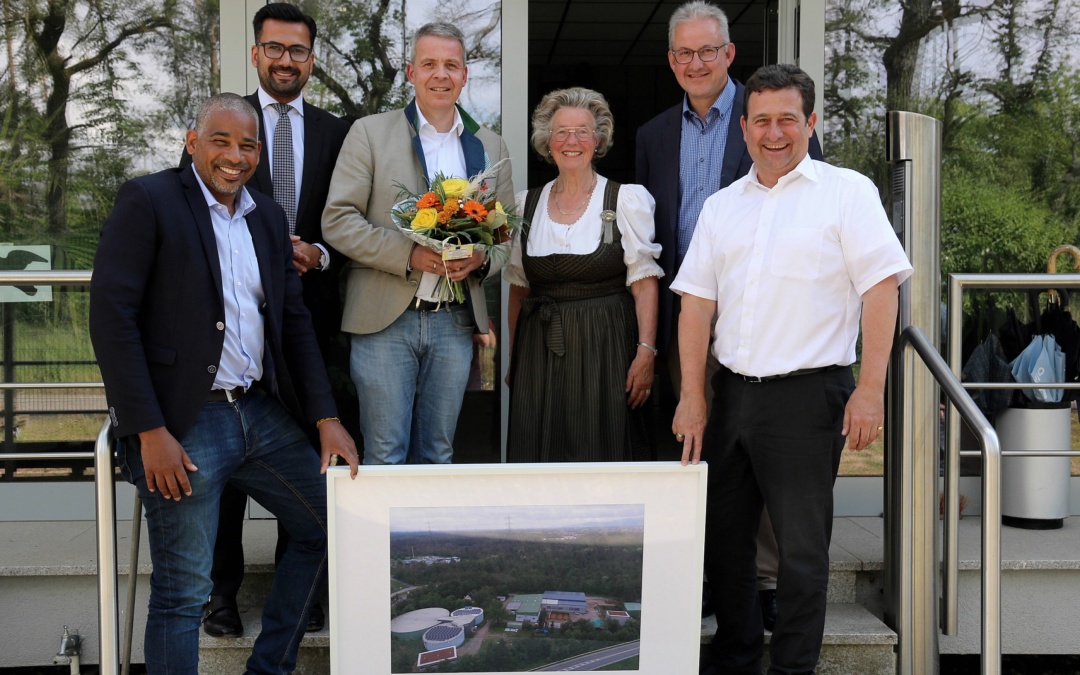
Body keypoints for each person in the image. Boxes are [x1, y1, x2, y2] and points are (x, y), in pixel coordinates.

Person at [89, 93, 359, 675]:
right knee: (185, 591)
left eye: (248, 145)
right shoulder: (150, 200)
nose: (235, 155)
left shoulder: (265, 214)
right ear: (193, 142)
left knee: (327, 526)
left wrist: (325, 417)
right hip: (182, 423)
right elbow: (112, 319)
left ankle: (270, 669)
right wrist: (148, 430)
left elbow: (291, 322)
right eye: (222, 140)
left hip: (257, 412)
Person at [671, 64, 911, 675]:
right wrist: (692, 395)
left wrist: (870, 391)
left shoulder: (846, 192)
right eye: (760, 121)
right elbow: (697, 305)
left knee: (802, 552)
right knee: (725, 545)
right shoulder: (722, 206)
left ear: (809, 122)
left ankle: (794, 668)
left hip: (808, 396)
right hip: (730, 398)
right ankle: (737, 656)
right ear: (744, 128)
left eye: (786, 119)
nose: (772, 133)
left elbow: (881, 291)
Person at [635, 0, 822, 626]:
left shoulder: (769, 115)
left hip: (762, 317)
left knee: (763, 453)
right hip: (686, 313)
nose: (696, 62)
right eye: (684, 53)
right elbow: (651, 236)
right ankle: (714, 577)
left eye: (707, 51)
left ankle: (764, 582)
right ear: (671, 60)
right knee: (699, 443)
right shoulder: (652, 134)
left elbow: (808, 211)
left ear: (729, 54)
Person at [184, 2, 352, 637]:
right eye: (275, 49)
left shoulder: (341, 133)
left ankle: (301, 591)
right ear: (255, 53)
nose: (287, 60)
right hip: (221, 328)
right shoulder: (223, 124)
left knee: (302, 455)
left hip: (306, 321)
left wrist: (321, 251)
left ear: (312, 59)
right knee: (220, 460)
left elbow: (350, 214)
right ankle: (219, 593)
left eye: (299, 51)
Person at [322, 22, 513, 466]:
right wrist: (409, 254)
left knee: (438, 455)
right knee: (385, 454)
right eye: (429, 64)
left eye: (451, 65)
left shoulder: (490, 145)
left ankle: (425, 540)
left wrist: (482, 259)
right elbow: (338, 220)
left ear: (465, 75)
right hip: (385, 322)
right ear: (410, 72)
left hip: (455, 324)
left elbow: (506, 237)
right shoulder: (369, 133)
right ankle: (379, 540)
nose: (440, 74)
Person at [505, 88, 661, 462]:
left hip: (605, 348)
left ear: (599, 139)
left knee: (601, 444)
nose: (571, 141)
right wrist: (514, 358)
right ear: (547, 141)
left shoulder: (625, 199)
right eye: (561, 132)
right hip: (538, 352)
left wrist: (646, 353)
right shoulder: (524, 204)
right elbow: (517, 289)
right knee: (537, 450)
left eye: (582, 131)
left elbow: (644, 283)